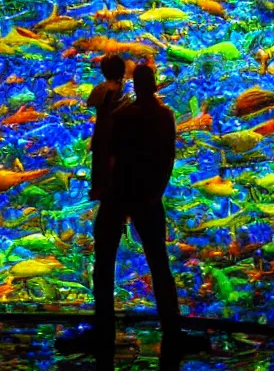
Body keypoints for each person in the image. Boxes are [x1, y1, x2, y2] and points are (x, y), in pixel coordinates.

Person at [93, 63, 184, 342]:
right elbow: (169, 158)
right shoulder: (165, 116)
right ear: (155, 85)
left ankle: (104, 327)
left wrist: (103, 189)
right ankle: (172, 328)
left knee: (104, 262)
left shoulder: (124, 115)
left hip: (119, 194)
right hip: (149, 196)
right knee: (158, 262)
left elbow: (110, 156)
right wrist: (157, 191)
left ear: (135, 85)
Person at [86, 55, 129, 202]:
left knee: (99, 172)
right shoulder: (127, 91)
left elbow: (89, 104)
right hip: (121, 139)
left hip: (101, 137)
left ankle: (98, 197)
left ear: (104, 72)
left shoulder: (99, 90)